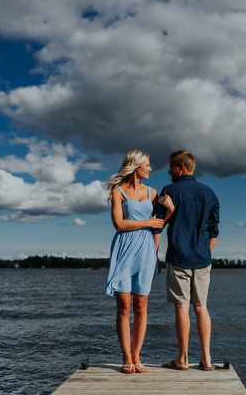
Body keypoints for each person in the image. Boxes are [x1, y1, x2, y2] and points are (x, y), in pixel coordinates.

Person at [105, 150, 174, 374]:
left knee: (141, 307)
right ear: (135, 167)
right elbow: (119, 224)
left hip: (146, 251)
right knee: (124, 307)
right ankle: (126, 357)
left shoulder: (153, 192)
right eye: (147, 165)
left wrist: (169, 213)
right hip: (124, 249)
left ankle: (137, 356)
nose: (151, 169)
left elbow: (158, 226)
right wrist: (149, 222)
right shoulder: (118, 192)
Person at [153, 151, 220, 371]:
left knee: (182, 308)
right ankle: (207, 359)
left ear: (181, 167)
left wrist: (154, 254)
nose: (169, 171)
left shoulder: (168, 191)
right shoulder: (210, 194)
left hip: (178, 256)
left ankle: (182, 359)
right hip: (202, 258)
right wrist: (206, 255)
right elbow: (213, 231)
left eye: (171, 166)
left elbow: (157, 224)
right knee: (201, 307)